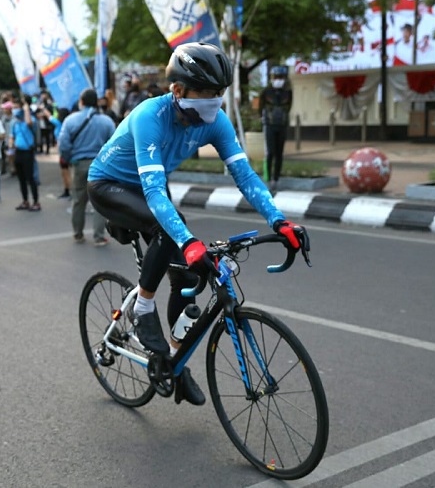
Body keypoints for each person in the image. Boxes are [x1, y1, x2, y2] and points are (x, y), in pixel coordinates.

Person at [87, 43, 309, 406]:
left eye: (218, 93)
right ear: (177, 91)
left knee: (189, 279)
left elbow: (245, 176)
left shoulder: (215, 122)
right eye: (205, 93)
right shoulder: (149, 116)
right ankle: (143, 306)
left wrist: (279, 220)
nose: (213, 101)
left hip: (149, 187)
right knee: (172, 230)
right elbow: (155, 193)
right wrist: (189, 241)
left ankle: (174, 361)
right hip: (110, 186)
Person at [58, 88, 114, 246]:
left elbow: (63, 143)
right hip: (100, 165)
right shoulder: (106, 121)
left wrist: (70, 159)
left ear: (81, 102)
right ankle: (98, 236)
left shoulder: (70, 120)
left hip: (79, 165)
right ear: (97, 102)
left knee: (78, 201)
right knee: (99, 202)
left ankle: (78, 234)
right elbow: (115, 144)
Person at [258, 66, 293, 191]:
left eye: (281, 77)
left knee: (279, 154)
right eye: (276, 77)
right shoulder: (266, 91)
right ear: (272, 78)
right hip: (270, 125)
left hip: (282, 125)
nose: (279, 80)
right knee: (270, 152)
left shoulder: (287, 92)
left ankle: (276, 178)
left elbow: (288, 107)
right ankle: (268, 178)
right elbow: (260, 108)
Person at [9, 101, 40, 211]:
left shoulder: (31, 120)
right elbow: (11, 136)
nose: (14, 110)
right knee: (21, 178)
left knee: (30, 178)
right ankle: (25, 201)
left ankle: (36, 202)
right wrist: (11, 146)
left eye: (16, 107)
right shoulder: (15, 123)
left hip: (28, 152)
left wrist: (26, 109)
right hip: (18, 152)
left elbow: (29, 122)